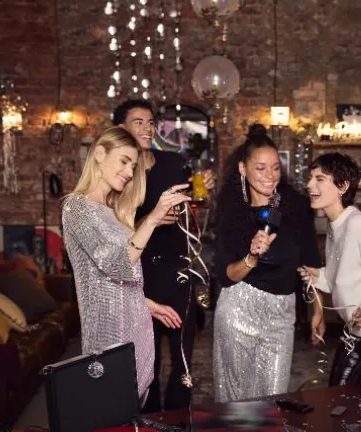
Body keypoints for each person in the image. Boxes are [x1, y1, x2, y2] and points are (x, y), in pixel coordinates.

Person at [61, 126, 191, 401]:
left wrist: (147, 304)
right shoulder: (77, 207)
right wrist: (153, 218)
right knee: (109, 413)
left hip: (134, 327)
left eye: (133, 166)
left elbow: (115, 280)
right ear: (99, 154)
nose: (129, 172)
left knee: (131, 414)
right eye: (124, 161)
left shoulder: (113, 211)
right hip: (107, 336)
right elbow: (117, 265)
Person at [113, 99, 216, 412]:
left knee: (183, 358)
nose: (147, 128)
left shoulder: (173, 163)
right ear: (120, 128)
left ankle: (177, 420)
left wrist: (201, 195)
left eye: (150, 122)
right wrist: (151, 220)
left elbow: (192, 211)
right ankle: (151, 423)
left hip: (177, 272)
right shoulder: (119, 176)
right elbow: (115, 237)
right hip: (140, 278)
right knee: (148, 359)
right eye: (138, 122)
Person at [212, 124, 323, 402]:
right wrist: (251, 257)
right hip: (239, 311)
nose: (270, 175)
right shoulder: (231, 214)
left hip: (281, 315)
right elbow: (226, 275)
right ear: (243, 169)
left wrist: (318, 310)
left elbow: (311, 262)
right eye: (260, 168)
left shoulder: (296, 208)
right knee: (237, 405)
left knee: (272, 400)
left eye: (275, 168)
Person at [298, 152, 361, 386]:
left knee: (348, 401)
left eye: (319, 179)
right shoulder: (336, 225)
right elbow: (343, 277)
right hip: (354, 333)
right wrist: (318, 276)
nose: (309, 185)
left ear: (342, 186)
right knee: (336, 395)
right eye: (310, 178)